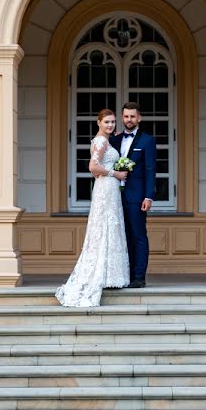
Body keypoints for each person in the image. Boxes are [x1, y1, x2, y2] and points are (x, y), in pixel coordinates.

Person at [55, 109, 130, 307]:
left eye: (113, 122)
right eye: (106, 122)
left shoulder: (104, 140)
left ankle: (110, 275)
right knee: (104, 227)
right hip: (106, 187)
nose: (110, 125)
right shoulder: (101, 141)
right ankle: (102, 275)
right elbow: (92, 167)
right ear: (98, 123)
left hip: (107, 187)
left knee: (108, 226)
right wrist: (115, 173)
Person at [109, 102, 156, 288]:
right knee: (121, 236)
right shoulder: (115, 140)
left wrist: (148, 196)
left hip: (137, 197)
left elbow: (151, 170)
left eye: (133, 116)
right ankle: (124, 276)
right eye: (126, 116)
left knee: (138, 236)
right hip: (114, 196)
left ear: (139, 118)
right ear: (122, 118)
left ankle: (138, 277)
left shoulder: (147, 141)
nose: (129, 120)